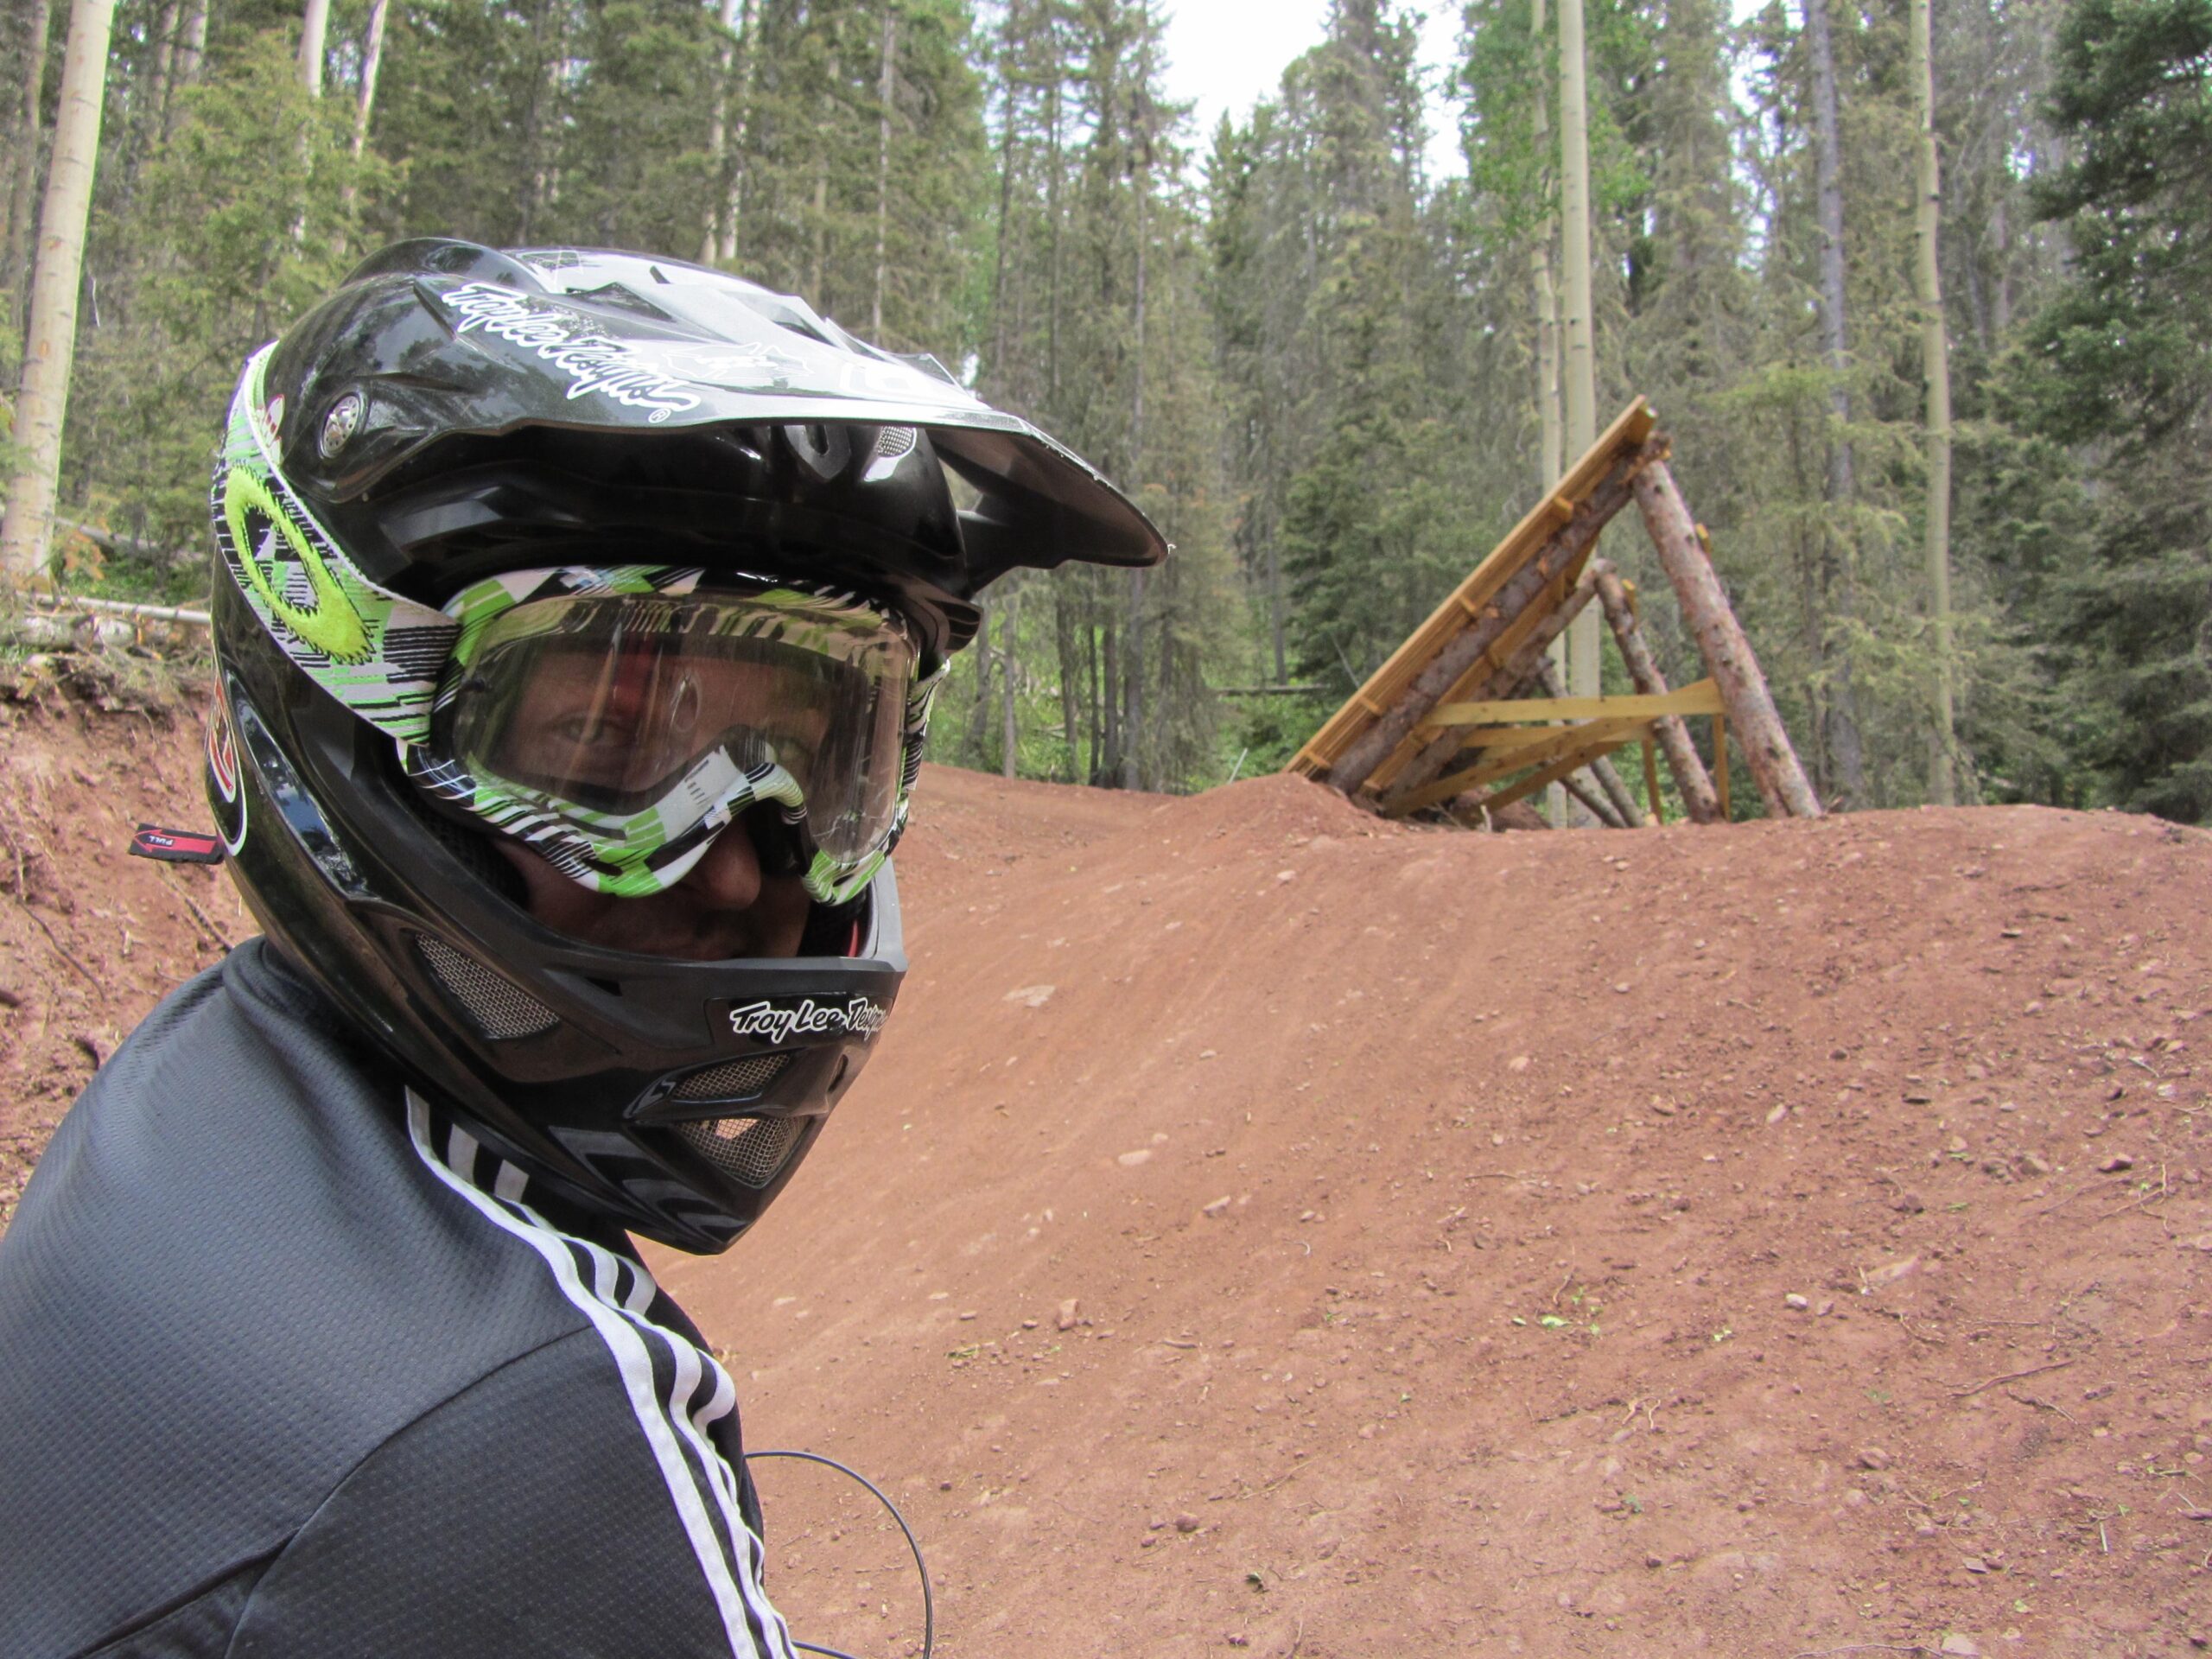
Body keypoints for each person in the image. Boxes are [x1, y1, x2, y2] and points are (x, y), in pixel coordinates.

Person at [0, 239, 1165, 1657]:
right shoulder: (506, 1431)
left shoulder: (211, 1097)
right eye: (614, 743)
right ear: (357, 693)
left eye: (811, 751)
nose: (741, 859)